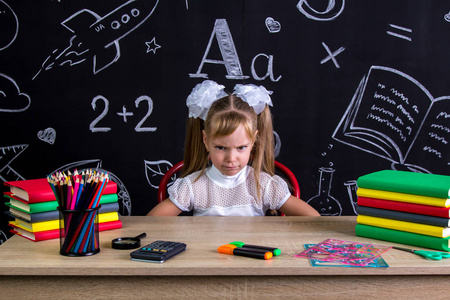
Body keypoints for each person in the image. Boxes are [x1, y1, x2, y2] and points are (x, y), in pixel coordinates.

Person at [147, 80, 319, 216]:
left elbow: (313, 218)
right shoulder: (193, 186)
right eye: (221, 147)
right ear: (206, 141)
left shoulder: (263, 185)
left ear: (253, 142)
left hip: (253, 258)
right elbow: (153, 222)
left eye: (241, 147)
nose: (231, 158)